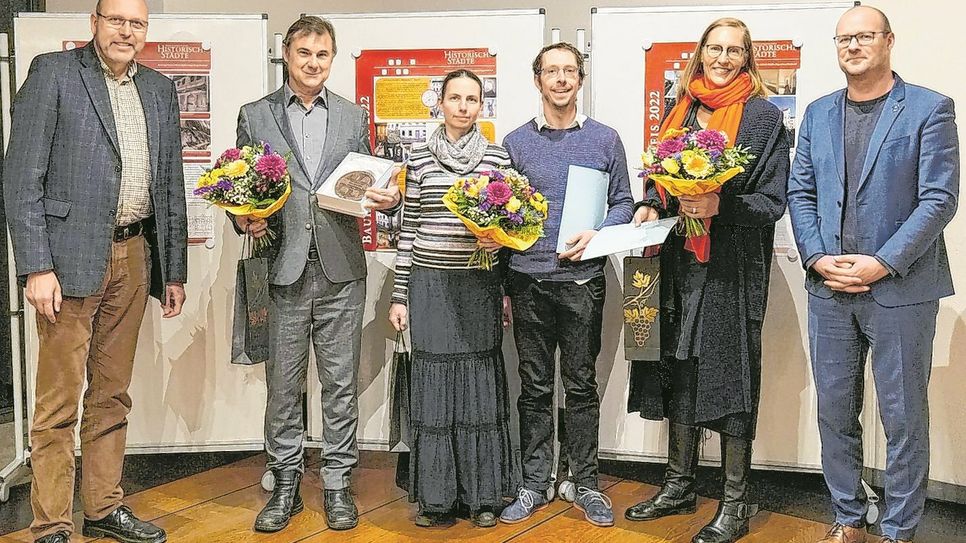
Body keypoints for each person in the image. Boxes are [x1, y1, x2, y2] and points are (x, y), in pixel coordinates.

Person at [2, 0, 188, 541]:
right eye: (116, 20)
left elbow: (170, 185)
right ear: (95, 24)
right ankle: (51, 523)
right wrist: (36, 266)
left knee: (112, 394)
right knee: (58, 400)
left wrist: (172, 270)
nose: (126, 31)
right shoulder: (53, 74)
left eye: (137, 23)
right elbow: (22, 179)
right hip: (67, 262)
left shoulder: (158, 88)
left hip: (134, 257)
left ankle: (104, 508)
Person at [787, 6, 958, 543]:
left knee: (903, 416)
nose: (852, 46)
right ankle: (848, 516)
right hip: (829, 288)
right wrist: (816, 257)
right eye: (843, 38)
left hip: (901, 289)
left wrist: (882, 261)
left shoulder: (930, 109)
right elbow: (801, 192)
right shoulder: (817, 114)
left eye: (863, 36)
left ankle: (899, 528)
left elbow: (939, 198)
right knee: (834, 411)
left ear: (888, 41)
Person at [624, 17, 790, 543]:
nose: (722, 58)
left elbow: (772, 203)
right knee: (679, 370)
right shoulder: (681, 111)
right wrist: (649, 204)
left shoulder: (764, 120)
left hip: (730, 272)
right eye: (714, 49)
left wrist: (722, 203)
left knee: (732, 378)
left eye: (733, 51)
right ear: (700, 54)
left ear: (748, 60)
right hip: (673, 267)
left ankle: (736, 502)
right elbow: (658, 181)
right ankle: (679, 484)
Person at [233, 16, 400, 534]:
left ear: (333, 58)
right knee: (282, 386)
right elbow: (239, 187)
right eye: (303, 52)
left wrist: (388, 197)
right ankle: (284, 482)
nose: (312, 62)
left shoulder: (353, 116)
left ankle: (337, 483)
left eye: (322, 54)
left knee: (340, 384)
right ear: (287, 54)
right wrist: (243, 215)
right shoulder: (255, 115)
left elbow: (372, 182)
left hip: (341, 269)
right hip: (280, 267)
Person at [498, 42, 635, 528]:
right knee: (533, 389)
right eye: (551, 71)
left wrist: (600, 232)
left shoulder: (605, 139)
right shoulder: (513, 143)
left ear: (581, 79)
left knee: (580, 387)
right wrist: (502, 291)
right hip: (527, 280)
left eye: (569, 71)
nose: (560, 79)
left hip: (582, 282)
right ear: (537, 80)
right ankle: (534, 483)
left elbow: (624, 202)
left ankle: (585, 482)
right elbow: (496, 216)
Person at [387, 69, 518, 529]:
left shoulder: (499, 158)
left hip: (478, 285)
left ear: (482, 107)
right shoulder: (417, 157)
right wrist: (400, 295)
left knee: (480, 388)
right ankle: (438, 500)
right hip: (429, 284)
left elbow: (510, 229)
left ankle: (483, 498)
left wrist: (500, 269)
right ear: (439, 103)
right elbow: (408, 228)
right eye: (455, 98)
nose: (464, 106)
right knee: (435, 390)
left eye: (473, 99)